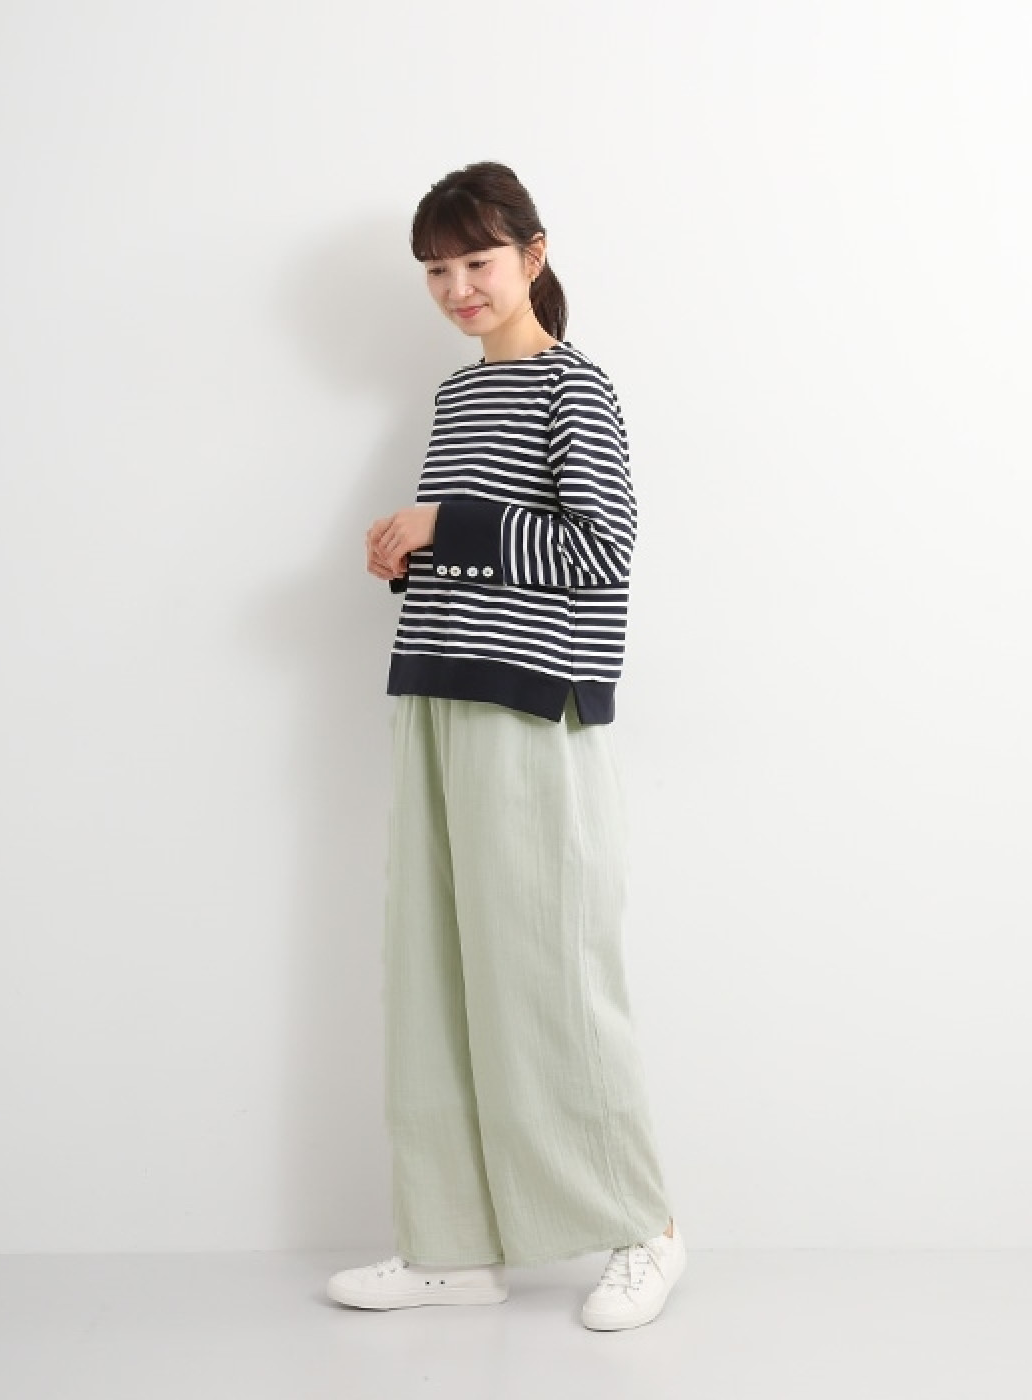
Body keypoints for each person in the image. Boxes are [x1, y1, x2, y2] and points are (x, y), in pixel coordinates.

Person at [326, 161, 686, 1332]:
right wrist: (411, 554)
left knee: (549, 975)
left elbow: (600, 548)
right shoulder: (457, 392)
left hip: (532, 710)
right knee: (432, 971)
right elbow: (491, 553)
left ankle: (645, 1227)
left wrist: (446, 521)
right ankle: (452, 1245)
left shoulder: (575, 385)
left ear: (533, 254)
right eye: (436, 270)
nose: (457, 288)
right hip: (438, 693)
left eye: (476, 261)